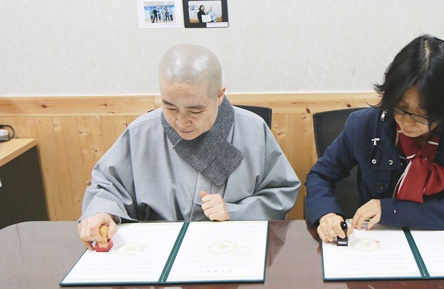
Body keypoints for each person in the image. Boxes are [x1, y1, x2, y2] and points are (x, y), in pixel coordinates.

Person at [78, 44, 301, 250]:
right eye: (170, 107)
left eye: (195, 111)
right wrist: (102, 213)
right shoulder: (142, 132)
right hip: (159, 248)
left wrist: (234, 212)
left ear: (219, 96)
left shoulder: (253, 129)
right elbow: (107, 186)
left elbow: (280, 191)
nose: (181, 122)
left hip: (233, 246)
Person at [305, 34, 444, 243]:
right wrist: (327, 214)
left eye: (423, 113)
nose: (407, 121)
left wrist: (393, 210)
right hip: (379, 242)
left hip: (443, 242)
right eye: (400, 107)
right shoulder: (365, 126)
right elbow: (320, 175)